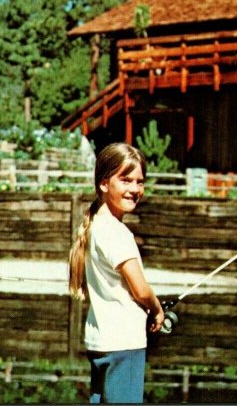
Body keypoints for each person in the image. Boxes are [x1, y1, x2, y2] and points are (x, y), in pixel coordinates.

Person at [68, 142, 165, 404]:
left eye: (140, 182)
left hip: (100, 342)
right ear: (103, 183)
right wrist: (156, 309)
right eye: (125, 180)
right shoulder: (117, 233)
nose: (134, 189)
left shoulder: (96, 224)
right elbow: (141, 289)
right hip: (124, 344)